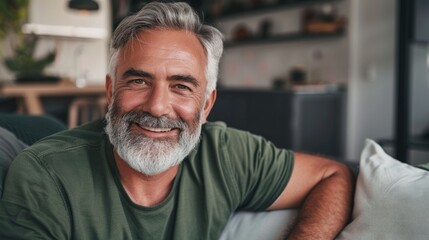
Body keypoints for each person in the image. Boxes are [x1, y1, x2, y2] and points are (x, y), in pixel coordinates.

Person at [0, 2, 354, 239]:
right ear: (110, 91)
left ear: (207, 104)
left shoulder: (227, 154)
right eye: (138, 81)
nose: (157, 107)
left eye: (181, 86)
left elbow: (332, 174)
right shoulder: (43, 176)